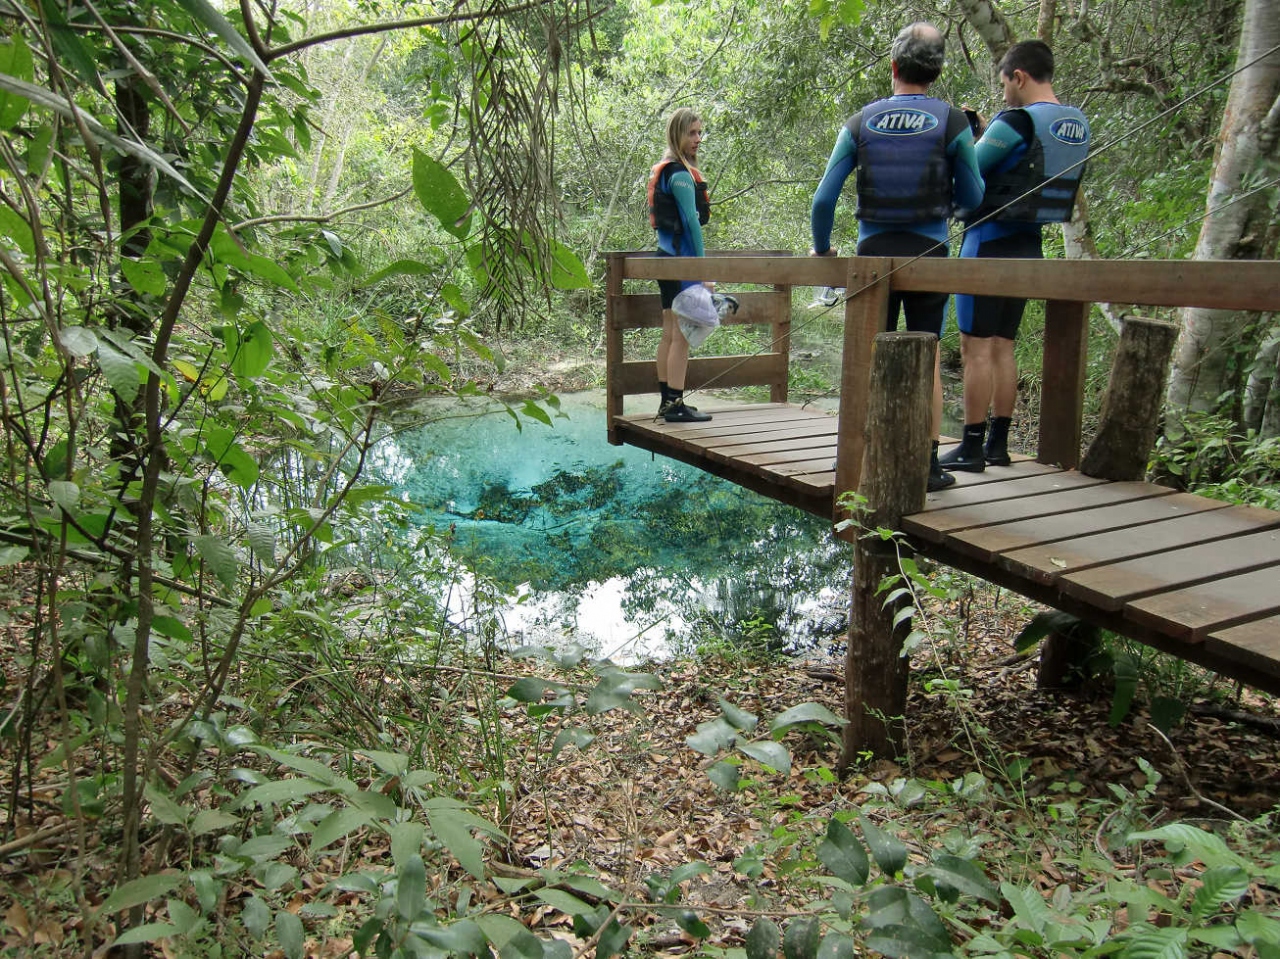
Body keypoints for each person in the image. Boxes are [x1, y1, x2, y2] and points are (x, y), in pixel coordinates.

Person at [809, 22, 984, 492]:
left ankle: (859, 456)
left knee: (869, 356)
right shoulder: (952, 123)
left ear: (893, 66)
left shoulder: (858, 123)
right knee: (925, 355)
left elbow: (823, 201)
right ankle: (926, 465)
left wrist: (823, 249)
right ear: (937, 71)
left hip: (872, 256)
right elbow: (973, 196)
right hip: (929, 253)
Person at [942, 40, 1090, 472]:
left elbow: (970, 169)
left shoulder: (1016, 121)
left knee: (976, 348)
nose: (1005, 93)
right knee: (1004, 346)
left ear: (1019, 77)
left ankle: (970, 447)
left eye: (1005, 83)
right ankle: (998, 445)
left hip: (988, 242)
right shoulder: (1076, 123)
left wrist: (971, 136)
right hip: (1030, 246)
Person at [648, 107, 713, 423]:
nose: (698, 139)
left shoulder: (669, 171)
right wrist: (702, 272)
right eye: (691, 133)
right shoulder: (679, 175)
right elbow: (691, 222)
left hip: (665, 260)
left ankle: (667, 403)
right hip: (680, 263)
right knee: (681, 336)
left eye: (700, 132)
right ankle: (675, 405)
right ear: (677, 134)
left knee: (670, 333)